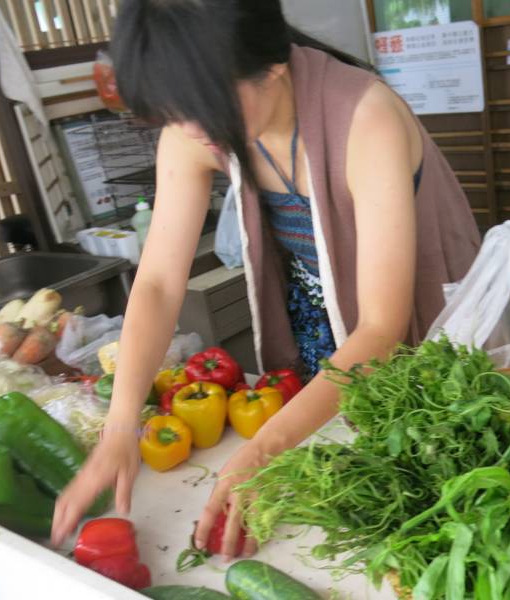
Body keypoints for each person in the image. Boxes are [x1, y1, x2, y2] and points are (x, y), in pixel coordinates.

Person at [50, 0, 481, 559]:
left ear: (273, 69)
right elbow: (156, 281)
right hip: (323, 295)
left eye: (200, 110)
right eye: (170, 114)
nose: (185, 131)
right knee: (347, 445)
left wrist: (262, 449)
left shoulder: (364, 115)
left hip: (420, 298)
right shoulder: (194, 124)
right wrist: (120, 425)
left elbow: (381, 327)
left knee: (444, 453)